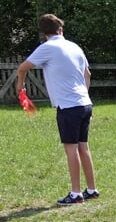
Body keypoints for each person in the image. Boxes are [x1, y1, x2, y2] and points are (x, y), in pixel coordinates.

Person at [16, 14, 99, 206]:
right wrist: (83, 95)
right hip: (85, 103)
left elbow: (23, 68)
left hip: (68, 106)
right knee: (83, 147)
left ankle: (76, 193)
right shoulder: (74, 46)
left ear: (44, 33)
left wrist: (21, 87)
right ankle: (92, 189)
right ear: (60, 30)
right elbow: (88, 74)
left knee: (71, 149)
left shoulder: (47, 48)